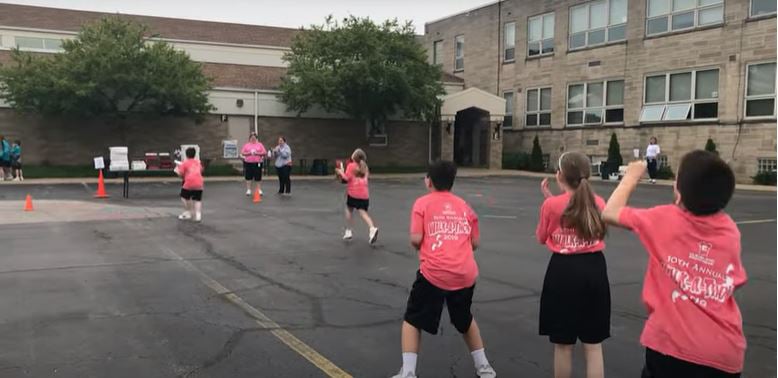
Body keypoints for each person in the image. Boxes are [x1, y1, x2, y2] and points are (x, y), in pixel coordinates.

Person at [602, 151, 746, 377]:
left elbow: (610, 213)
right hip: (725, 352)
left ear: (679, 193)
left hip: (672, 348)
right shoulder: (730, 232)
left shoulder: (664, 219)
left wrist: (631, 177)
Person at [391, 161, 496, 378]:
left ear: (429, 181)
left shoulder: (422, 204)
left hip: (435, 273)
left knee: (413, 319)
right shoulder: (465, 206)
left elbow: (415, 238)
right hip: (465, 273)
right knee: (464, 319)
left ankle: (408, 372)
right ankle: (484, 367)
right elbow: (475, 243)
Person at [536, 152, 609, 378]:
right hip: (594, 269)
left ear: (560, 176)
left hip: (563, 272)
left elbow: (541, 236)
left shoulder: (551, 205)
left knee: (563, 344)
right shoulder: (598, 202)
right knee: (593, 344)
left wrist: (549, 201)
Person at [335, 148, 378, 244]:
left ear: (354, 157)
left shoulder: (351, 166)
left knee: (349, 209)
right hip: (364, 194)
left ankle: (349, 231)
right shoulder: (365, 167)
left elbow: (346, 178)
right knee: (363, 212)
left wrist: (340, 172)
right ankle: (372, 228)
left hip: (353, 193)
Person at [175, 148, 205, 222]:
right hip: (199, 183)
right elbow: (201, 170)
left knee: (184, 197)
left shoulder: (185, 163)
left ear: (186, 154)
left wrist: (176, 171)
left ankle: (188, 212)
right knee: (198, 199)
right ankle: (198, 215)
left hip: (189, 182)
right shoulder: (198, 162)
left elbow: (181, 174)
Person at [240, 132, 267, 197]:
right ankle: (248, 189)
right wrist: (249, 153)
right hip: (248, 163)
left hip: (258, 163)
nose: (253, 139)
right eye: (252, 137)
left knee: (258, 176)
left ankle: (259, 189)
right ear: (250, 138)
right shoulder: (247, 145)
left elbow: (264, 152)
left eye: (254, 137)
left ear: (256, 138)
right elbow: (242, 153)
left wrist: (257, 153)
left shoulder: (260, 144)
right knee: (248, 176)